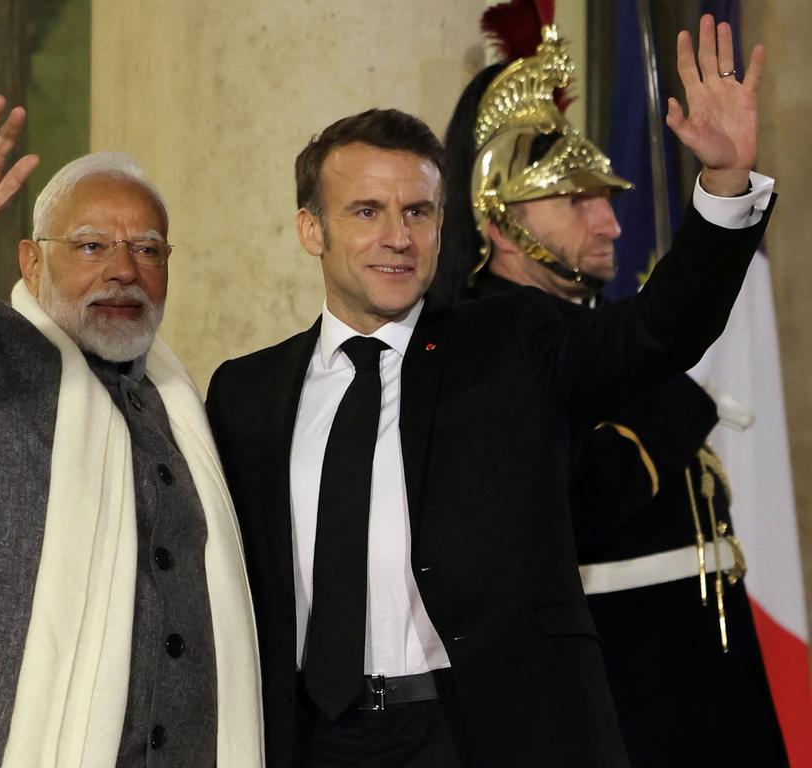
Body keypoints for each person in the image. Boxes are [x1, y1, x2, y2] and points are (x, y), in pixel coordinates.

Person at [206, 14, 773, 768]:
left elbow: (662, 332)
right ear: (312, 230)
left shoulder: (512, 344)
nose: (398, 237)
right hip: (312, 743)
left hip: (479, 736)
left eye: (418, 212)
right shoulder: (245, 394)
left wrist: (725, 184)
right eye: (366, 212)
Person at [431, 3, 787, 765]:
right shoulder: (484, 345)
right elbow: (578, 511)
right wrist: (679, 404)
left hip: (701, 679)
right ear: (500, 221)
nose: (611, 225)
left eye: (607, 198)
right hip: (624, 697)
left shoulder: (583, 329)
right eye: (576, 200)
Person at [0, 96, 262, 767]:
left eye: (147, 249)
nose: (122, 269)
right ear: (31, 262)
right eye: (90, 246)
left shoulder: (183, 406)